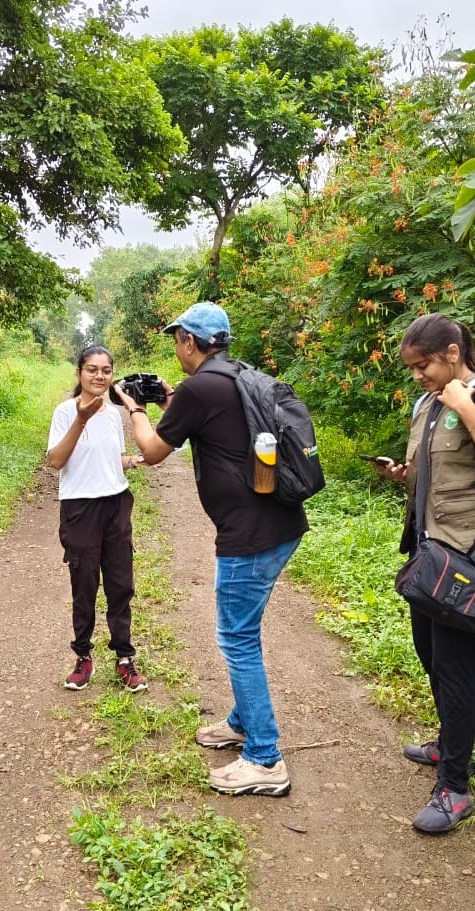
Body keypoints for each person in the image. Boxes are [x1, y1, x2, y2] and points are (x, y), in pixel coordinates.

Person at [117, 303, 307, 797]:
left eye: (177, 338)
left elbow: (156, 452)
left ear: (189, 341)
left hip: (249, 534)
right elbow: (209, 429)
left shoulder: (202, 386)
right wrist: (167, 405)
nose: (176, 347)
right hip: (281, 523)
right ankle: (244, 723)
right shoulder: (238, 375)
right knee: (245, 632)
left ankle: (265, 759)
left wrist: (134, 408)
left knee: (238, 638)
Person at [369, 312, 475, 833]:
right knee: (432, 657)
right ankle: (449, 746)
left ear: (453, 354)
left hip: (468, 561)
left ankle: (455, 789)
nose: (417, 375)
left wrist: (466, 406)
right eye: (412, 368)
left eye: (424, 365)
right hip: (430, 557)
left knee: (458, 672)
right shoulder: (429, 404)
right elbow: (446, 471)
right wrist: (405, 474)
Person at [47, 345, 149, 693]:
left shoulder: (112, 414)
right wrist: (81, 419)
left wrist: (128, 462)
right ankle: (82, 657)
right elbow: (57, 461)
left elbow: (110, 458)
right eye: (92, 369)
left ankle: (124, 658)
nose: (100, 376)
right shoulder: (64, 412)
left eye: (106, 370)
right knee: (85, 585)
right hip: (79, 508)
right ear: (79, 373)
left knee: (121, 584)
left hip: (116, 503)